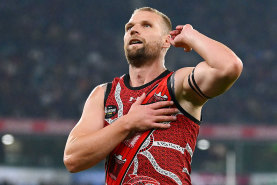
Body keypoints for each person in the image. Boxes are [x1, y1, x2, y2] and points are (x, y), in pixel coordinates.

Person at [64, 7, 243, 185]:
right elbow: (72, 159)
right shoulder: (103, 94)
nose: (133, 29)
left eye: (147, 25)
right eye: (129, 27)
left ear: (167, 40)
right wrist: (128, 123)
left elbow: (229, 67)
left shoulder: (177, 85)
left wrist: (192, 35)